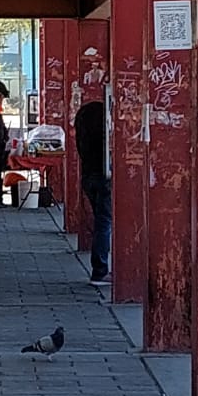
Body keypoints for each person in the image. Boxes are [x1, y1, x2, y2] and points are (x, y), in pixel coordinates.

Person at [74, 97, 111, 286]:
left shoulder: (83, 131)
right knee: (105, 223)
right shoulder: (105, 136)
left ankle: (100, 268)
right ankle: (101, 270)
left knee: (101, 222)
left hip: (88, 176)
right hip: (104, 177)